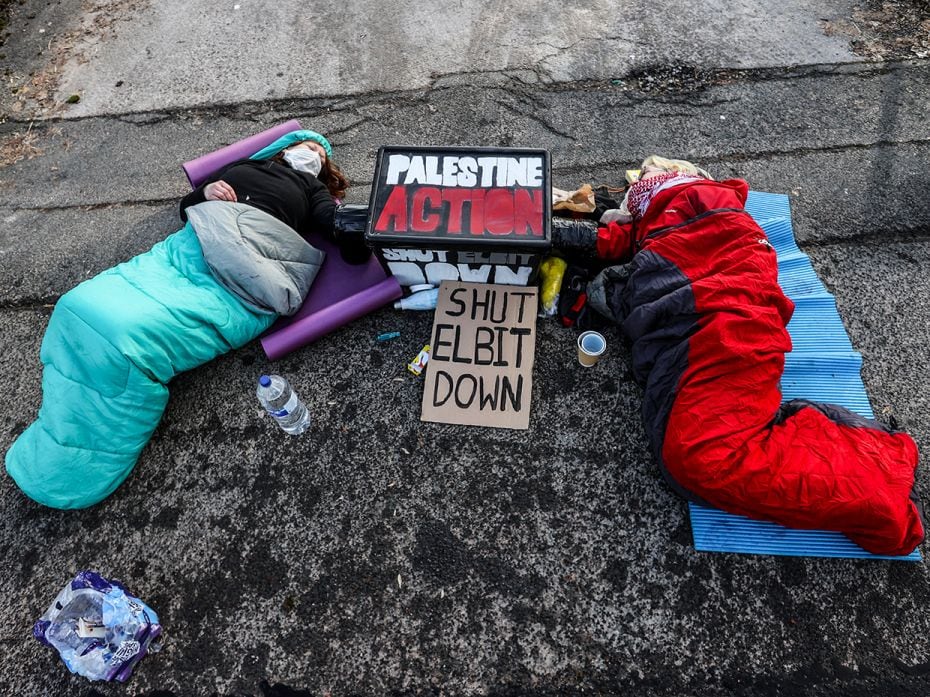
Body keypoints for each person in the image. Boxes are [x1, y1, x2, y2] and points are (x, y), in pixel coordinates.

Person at [4, 129, 362, 509]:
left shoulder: (311, 190)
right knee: (77, 306)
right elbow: (189, 204)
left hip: (242, 265)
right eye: (306, 147)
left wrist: (355, 227)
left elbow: (331, 220)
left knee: (124, 338)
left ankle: (73, 461)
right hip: (187, 249)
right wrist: (205, 194)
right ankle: (62, 440)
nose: (312, 155)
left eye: (319, 156)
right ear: (284, 149)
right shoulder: (245, 166)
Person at [585, 155, 924, 556]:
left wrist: (626, 261)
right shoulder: (662, 216)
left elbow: (709, 250)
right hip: (707, 317)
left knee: (700, 457)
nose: (640, 181)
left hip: (726, 318)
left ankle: (879, 470)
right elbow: (619, 246)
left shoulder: (702, 201)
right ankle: (860, 464)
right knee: (691, 453)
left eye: (646, 180)